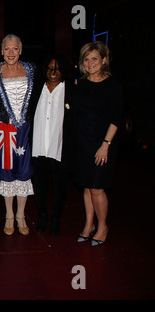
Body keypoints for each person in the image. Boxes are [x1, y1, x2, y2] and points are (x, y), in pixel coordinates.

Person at [72, 41, 123, 246]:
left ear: (104, 59)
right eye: (86, 59)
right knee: (87, 187)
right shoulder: (80, 85)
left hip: (102, 143)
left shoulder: (113, 86)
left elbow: (116, 118)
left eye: (94, 58)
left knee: (97, 187)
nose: (90, 62)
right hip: (82, 142)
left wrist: (105, 144)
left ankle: (103, 226)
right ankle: (88, 224)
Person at [0, 34, 37, 236]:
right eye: (7, 49)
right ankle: (9, 215)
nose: (11, 53)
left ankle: (21, 216)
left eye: (14, 49)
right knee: (7, 170)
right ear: (1, 51)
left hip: (26, 129)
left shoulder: (31, 70)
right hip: (5, 129)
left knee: (24, 171)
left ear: (20, 50)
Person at [31, 54, 75, 235]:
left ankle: (56, 218)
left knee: (60, 184)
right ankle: (42, 215)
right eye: (50, 68)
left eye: (57, 68)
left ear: (63, 71)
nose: (53, 72)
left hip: (60, 146)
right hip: (39, 144)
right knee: (39, 183)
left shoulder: (70, 90)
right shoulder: (36, 89)